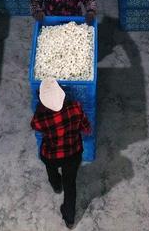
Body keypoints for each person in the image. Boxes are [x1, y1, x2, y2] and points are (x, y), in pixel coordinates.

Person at [31, 78, 92, 229]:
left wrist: (41, 110)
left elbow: (34, 126)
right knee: (70, 185)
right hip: (73, 153)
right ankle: (69, 219)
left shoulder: (41, 117)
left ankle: (56, 185)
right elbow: (87, 129)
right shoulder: (75, 108)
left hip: (51, 155)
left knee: (50, 169)